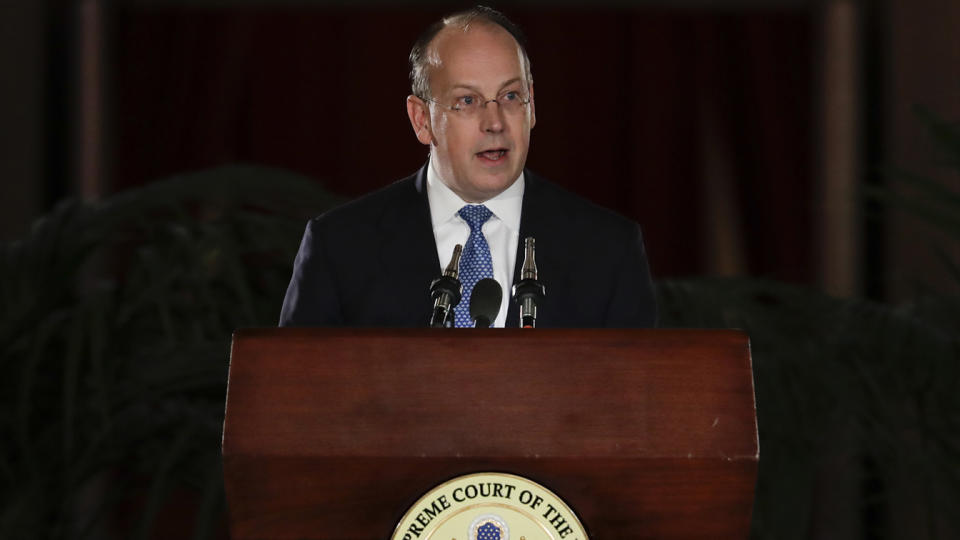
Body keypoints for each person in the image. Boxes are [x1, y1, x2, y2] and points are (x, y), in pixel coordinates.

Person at [279, 6, 656, 328]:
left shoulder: (608, 250)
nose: (495, 122)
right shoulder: (341, 246)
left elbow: (639, 403)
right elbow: (293, 399)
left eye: (511, 96)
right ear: (421, 119)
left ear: (533, 105)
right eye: (467, 101)